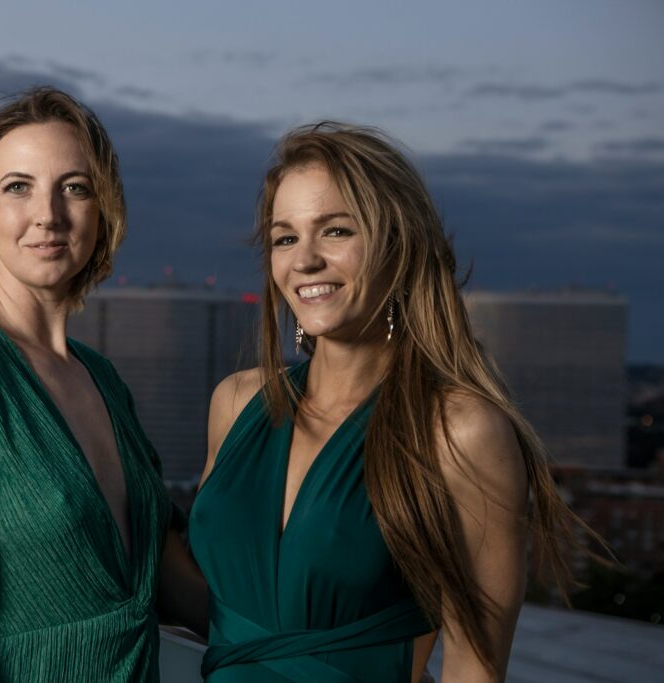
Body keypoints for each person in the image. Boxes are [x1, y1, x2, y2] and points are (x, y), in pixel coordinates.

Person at [189, 122, 582, 682]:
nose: (304, 261)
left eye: (336, 231)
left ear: (398, 245)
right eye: (285, 237)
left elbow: (476, 667)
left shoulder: (461, 433)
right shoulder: (237, 403)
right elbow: (204, 596)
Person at [0, 87, 198, 682]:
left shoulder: (100, 378)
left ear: (101, 210)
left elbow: (165, 578)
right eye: (18, 187)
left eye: (74, 188)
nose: (48, 214)